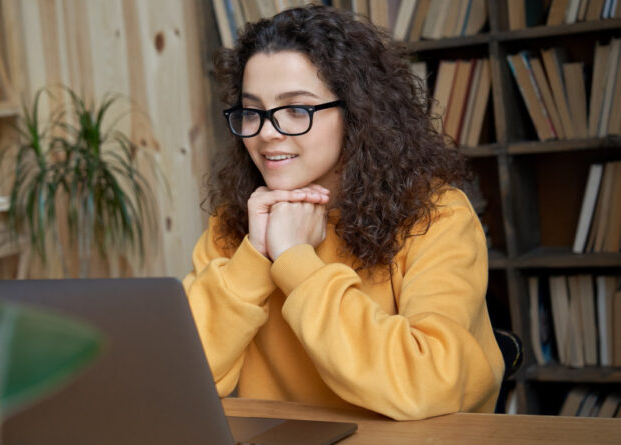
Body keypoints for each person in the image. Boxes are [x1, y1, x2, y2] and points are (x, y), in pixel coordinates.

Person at [182, 5, 503, 421]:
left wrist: (296, 261)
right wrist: (255, 256)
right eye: (252, 111)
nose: (265, 132)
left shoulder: (437, 217)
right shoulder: (235, 225)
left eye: (296, 109)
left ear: (356, 113)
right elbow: (182, 378)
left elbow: (427, 383)